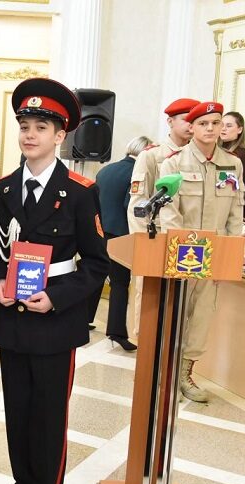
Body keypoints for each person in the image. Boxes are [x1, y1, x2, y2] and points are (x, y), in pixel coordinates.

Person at [0, 78, 110, 484]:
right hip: (12, 319)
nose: (30, 135)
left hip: (54, 322)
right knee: (17, 414)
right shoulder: (2, 189)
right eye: (24, 127)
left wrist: (55, 297)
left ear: (60, 136)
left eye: (41, 127)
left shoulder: (79, 192)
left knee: (48, 418)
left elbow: (97, 263)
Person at [158, 101, 244, 403]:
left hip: (216, 254)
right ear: (192, 127)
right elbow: (168, 211)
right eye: (203, 123)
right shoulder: (174, 163)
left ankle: (185, 373)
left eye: (216, 123)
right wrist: (180, 251)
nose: (210, 128)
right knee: (174, 312)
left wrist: (230, 253)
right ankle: (164, 371)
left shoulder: (232, 164)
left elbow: (235, 210)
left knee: (202, 317)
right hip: (184, 254)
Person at [126, 98, 199, 338]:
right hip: (155, 237)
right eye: (185, 120)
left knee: (182, 303)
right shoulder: (152, 155)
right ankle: (145, 343)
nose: (190, 125)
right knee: (149, 296)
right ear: (170, 122)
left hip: (187, 241)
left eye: (194, 120)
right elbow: (138, 203)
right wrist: (143, 244)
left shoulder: (196, 158)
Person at [95, 136, 154, 352]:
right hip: (122, 233)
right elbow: (132, 206)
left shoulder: (105, 170)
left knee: (96, 276)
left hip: (100, 231)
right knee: (120, 283)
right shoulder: (136, 173)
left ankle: (84, 319)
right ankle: (117, 331)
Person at [220, 111, 245, 214]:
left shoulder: (244, 155)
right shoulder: (218, 152)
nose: (223, 129)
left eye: (229, 126)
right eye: (221, 125)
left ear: (239, 129)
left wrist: (237, 216)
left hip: (233, 215)